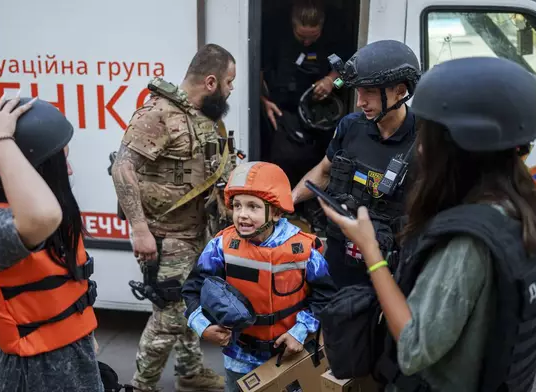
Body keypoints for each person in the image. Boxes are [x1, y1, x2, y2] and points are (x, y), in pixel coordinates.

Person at [319, 57, 536, 391]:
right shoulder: (527, 209)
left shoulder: (467, 245)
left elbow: (414, 349)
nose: (419, 145)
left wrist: (370, 251)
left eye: (426, 136)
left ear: (456, 147)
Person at [0, 94, 103, 392]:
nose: (69, 171)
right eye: (61, 161)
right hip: (34, 374)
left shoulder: (29, 217)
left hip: (74, 359)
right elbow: (42, 216)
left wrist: (83, 338)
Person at [111, 43, 236, 392]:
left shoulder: (206, 120)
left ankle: (189, 371)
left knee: (189, 308)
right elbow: (123, 167)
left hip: (198, 233)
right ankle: (141, 385)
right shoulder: (159, 114)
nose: (231, 90)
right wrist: (139, 229)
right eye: (229, 82)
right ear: (211, 82)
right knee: (168, 317)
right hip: (165, 237)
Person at [181, 161, 338, 392]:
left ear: (275, 212)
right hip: (239, 359)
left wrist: (299, 331)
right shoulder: (221, 247)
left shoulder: (304, 251)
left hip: (289, 357)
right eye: (237, 206)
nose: (242, 215)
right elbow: (192, 289)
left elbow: (326, 297)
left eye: (253, 207)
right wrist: (202, 326)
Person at [292, 40, 421, 287]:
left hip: (392, 269)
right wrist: (289, 199)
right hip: (341, 259)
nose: (360, 102)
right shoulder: (350, 126)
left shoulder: (425, 140)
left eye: (369, 92)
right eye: (359, 91)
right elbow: (324, 171)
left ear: (400, 91)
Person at [260, 0, 353, 190]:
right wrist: (262, 100)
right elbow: (256, 74)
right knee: (283, 160)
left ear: (322, 26)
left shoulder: (336, 37)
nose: (307, 42)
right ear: (292, 25)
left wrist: (331, 82)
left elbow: (346, 79)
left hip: (322, 114)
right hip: (282, 110)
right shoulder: (275, 36)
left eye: (313, 37)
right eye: (301, 36)